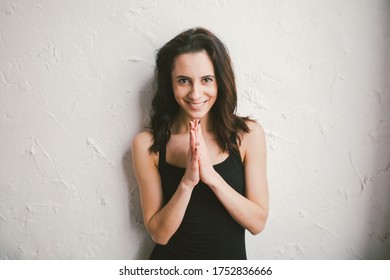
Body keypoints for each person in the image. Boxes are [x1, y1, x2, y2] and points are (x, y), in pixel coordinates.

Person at [131, 27, 268, 260]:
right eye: (183, 80)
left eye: (206, 80)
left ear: (220, 82)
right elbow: (159, 235)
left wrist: (212, 177)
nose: (195, 94)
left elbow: (257, 223)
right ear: (170, 84)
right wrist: (187, 182)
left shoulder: (248, 135)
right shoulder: (147, 144)